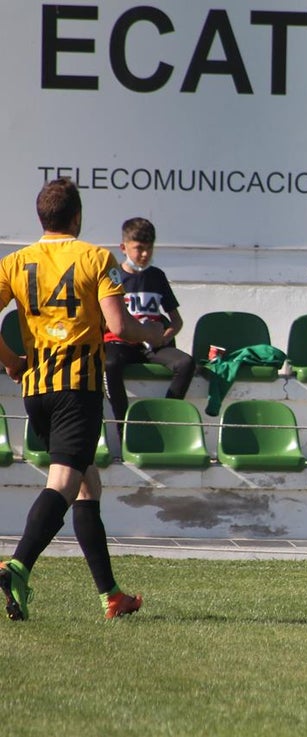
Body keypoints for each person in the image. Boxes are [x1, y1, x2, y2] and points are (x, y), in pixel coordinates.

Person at [0, 178, 164, 621]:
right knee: (65, 483)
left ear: (42, 217)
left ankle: (111, 595)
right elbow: (121, 326)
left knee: (88, 481)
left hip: (37, 390)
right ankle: (17, 565)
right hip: (78, 388)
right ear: (77, 217)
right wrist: (153, 333)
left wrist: (12, 360)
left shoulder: (14, 262)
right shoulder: (97, 258)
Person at [104, 217, 194, 441]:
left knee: (186, 363)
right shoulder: (113, 277)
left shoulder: (157, 277)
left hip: (150, 346)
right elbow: (102, 319)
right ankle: (124, 427)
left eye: (149, 248)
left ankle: (162, 420)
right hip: (119, 343)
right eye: (139, 249)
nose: (144, 254)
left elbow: (176, 321)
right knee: (110, 363)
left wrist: (164, 337)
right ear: (123, 248)